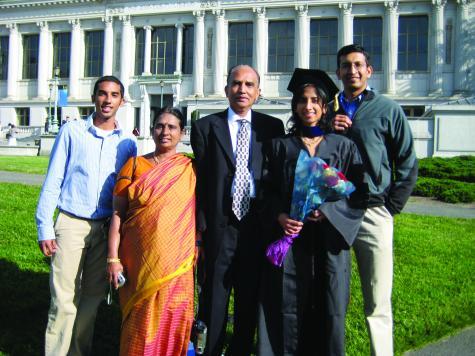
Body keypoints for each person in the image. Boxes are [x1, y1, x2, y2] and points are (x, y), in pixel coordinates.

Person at [258, 68, 365, 355]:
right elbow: (265, 191)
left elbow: (359, 193)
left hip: (329, 238)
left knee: (329, 302)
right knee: (286, 302)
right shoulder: (279, 146)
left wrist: (328, 211)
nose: (308, 106)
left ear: (325, 106)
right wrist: (280, 216)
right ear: (294, 106)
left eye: (315, 100)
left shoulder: (344, 146)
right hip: (291, 238)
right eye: (303, 101)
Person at [35, 75, 137, 356]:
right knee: (64, 299)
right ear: (94, 97)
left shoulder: (128, 143)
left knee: (92, 301)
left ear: (122, 101)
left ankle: (78, 352)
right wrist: (44, 225)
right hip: (71, 222)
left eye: (114, 95)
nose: (107, 100)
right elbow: (53, 179)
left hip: (105, 229)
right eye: (102, 94)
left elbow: (126, 190)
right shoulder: (72, 131)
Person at [190, 64, 285, 355]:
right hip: (220, 226)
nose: (241, 90)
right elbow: (202, 183)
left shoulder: (272, 128)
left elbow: (275, 180)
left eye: (248, 85)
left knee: (248, 297)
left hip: (256, 227)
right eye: (236, 83)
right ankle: (211, 349)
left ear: (258, 92)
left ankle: (241, 350)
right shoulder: (205, 127)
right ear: (226, 88)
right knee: (214, 298)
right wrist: (200, 231)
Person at [331, 44, 418, 356]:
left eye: (358, 65)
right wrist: (328, 128)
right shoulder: (328, 108)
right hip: (333, 211)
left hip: (373, 212)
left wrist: (391, 206)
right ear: (338, 72)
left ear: (369, 70)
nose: (351, 71)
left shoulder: (387, 108)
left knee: (378, 297)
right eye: (345, 66)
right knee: (329, 291)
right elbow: (310, 154)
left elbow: (407, 161)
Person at [107, 107, 197, 356]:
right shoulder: (135, 165)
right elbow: (117, 215)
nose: (165, 132)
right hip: (138, 261)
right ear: (152, 130)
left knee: (173, 316)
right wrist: (113, 259)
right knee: (139, 320)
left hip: (177, 262)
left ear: (182, 132)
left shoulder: (189, 169)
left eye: (171, 127)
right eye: (159, 126)